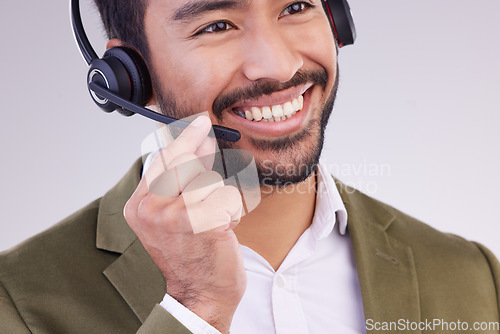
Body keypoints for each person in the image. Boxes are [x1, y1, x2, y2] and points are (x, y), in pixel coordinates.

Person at [1, 0, 499, 333]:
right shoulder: (19, 301)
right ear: (129, 77)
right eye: (216, 25)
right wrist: (196, 309)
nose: (278, 66)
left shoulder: (473, 279)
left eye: (297, 5)